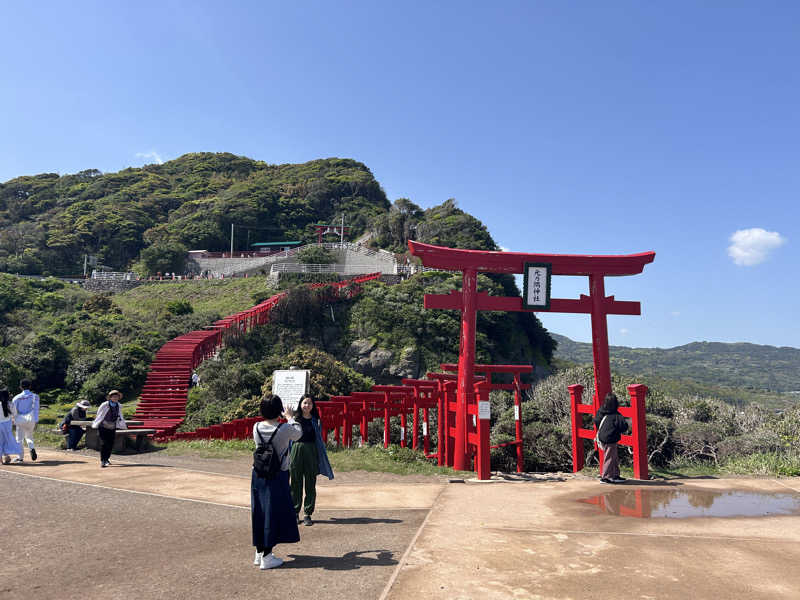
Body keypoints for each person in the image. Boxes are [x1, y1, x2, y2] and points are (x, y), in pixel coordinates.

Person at [251, 394, 301, 570]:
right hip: (278, 475)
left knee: (260, 511)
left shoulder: (256, 427)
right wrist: (290, 417)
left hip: (258, 475)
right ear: (279, 409)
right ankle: (267, 556)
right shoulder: (284, 428)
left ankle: (259, 552)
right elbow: (298, 434)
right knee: (273, 513)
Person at [289, 395, 334, 526]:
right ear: (300, 404)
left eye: (309, 403)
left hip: (311, 451)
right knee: (295, 482)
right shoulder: (294, 419)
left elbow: (318, 439)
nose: (307, 406)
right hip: (296, 449)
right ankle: (295, 512)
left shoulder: (316, 420)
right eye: (304, 403)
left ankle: (308, 513)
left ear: (313, 406)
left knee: (310, 482)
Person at [593, 392, 629, 484]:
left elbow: (596, 421)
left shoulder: (601, 411)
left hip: (602, 437)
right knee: (610, 457)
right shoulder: (616, 415)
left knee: (613, 457)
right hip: (611, 438)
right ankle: (605, 477)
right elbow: (623, 427)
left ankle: (615, 475)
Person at [91, 390, 127, 467]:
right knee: (104, 443)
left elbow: (120, 415)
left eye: (117, 397)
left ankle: (107, 459)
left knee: (110, 443)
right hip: (103, 426)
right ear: (110, 397)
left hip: (112, 426)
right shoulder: (104, 405)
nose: (115, 398)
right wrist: (98, 422)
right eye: (113, 396)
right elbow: (99, 414)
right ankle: (103, 460)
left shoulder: (119, 405)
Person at [12, 379, 39, 463]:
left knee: (19, 439)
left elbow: (14, 411)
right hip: (31, 419)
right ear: (30, 386)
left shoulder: (16, 398)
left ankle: (20, 457)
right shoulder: (35, 396)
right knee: (29, 436)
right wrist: (36, 420)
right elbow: (36, 409)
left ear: (20, 387)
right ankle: (31, 448)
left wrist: (14, 420)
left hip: (20, 419)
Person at [0, 388, 23, 465]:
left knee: (1, 441)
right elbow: (15, 414)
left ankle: (1, 459)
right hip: (7, 424)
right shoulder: (10, 404)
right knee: (7, 440)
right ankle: (6, 456)